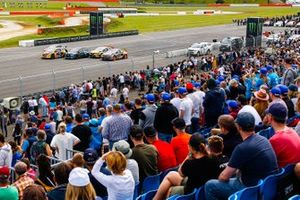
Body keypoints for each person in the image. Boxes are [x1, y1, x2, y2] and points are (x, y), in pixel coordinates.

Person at [205, 112, 279, 200]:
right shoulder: (264, 139)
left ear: (238, 127)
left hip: (251, 188)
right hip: (268, 185)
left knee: (210, 185)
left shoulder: (242, 148)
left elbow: (223, 177)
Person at [153, 134, 220, 200]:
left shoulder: (190, 163)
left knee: (170, 189)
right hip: (203, 187)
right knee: (171, 174)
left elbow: (180, 172)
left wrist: (188, 157)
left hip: (192, 190)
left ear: (191, 147)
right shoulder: (214, 158)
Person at [268, 103, 300, 167]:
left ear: (270, 117)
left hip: (285, 175)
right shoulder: (292, 131)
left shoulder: (275, 139)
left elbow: (268, 163)